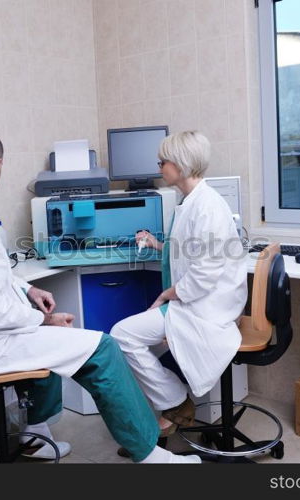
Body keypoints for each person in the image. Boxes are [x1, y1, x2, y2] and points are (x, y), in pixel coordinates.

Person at [0, 130, 200, 464]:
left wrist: (28, 289)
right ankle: (151, 455)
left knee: (49, 341)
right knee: (102, 350)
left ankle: (37, 437)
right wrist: (44, 319)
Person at [110, 131, 249, 438]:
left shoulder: (207, 206)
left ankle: (175, 404)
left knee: (121, 335)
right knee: (136, 341)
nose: (159, 166)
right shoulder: (190, 202)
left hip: (206, 308)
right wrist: (157, 245)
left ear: (182, 164)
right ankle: (168, 410)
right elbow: (188, 252)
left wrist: (166, 295)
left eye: (164, 161)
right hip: (194, 300)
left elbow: (204, 272)